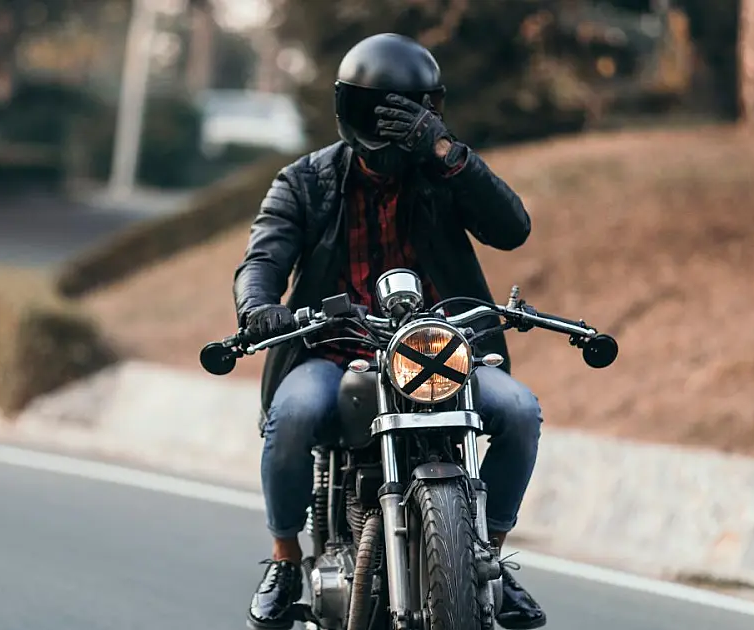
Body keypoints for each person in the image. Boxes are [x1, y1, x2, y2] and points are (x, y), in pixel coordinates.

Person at [233, 33, 547, 630]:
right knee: (294, 414)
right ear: (352, 112)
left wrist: (448, 152)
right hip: (333, 350)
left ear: (431, 111)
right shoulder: (304, 181)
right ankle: (284, 559)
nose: (397, 127)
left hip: (436, 348)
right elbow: (263, 258)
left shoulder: (445, 171)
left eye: (414, 112)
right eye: (382, 112)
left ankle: (490, 557)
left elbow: (512, 229)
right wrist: (257, 306)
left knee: (519, 411)